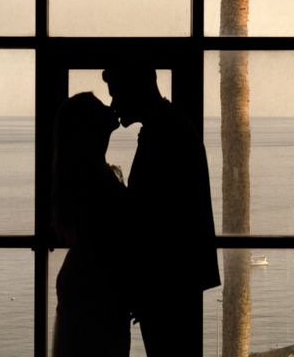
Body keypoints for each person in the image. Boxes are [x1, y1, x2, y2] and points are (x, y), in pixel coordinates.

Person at [103, 62, 221, 357]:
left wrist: (145, 288)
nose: (114, 104)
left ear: (137, 89)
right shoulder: (170, 128)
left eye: (117, 94)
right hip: (172, 284)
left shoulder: (165, 134)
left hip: (167, 286)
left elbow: (158, 223)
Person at [51, 92, 131, 357]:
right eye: (99, 107)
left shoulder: (84, 175)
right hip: (97, 290)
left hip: (89, 284)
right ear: (88, 127)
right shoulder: (96, 179)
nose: (109, 107)